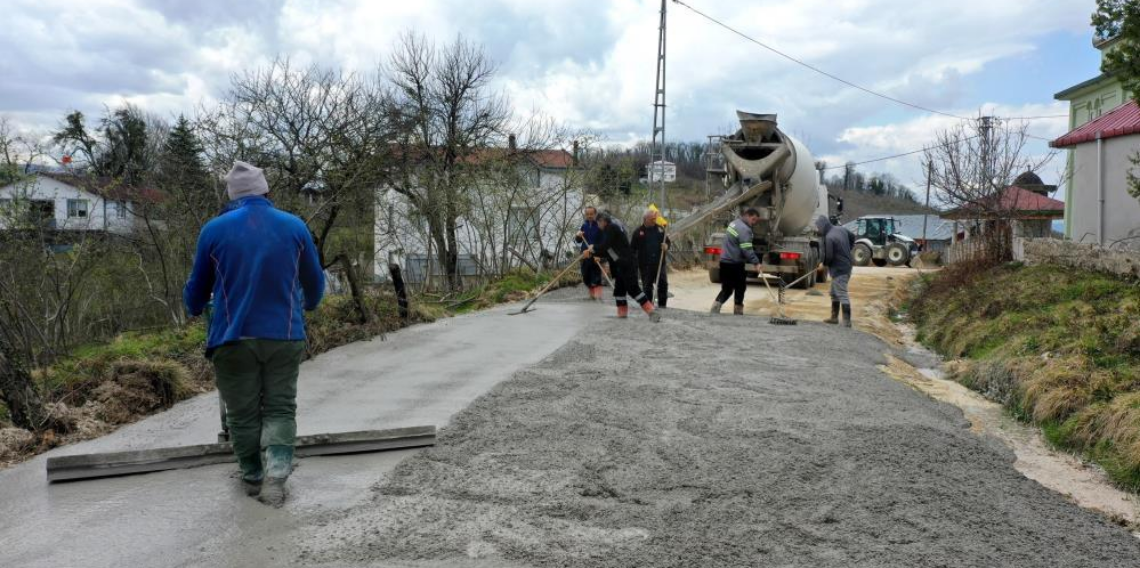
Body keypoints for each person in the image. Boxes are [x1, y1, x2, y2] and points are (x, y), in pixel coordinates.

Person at [183, 161, 325, 507]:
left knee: (242, 413)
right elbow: (315, 285)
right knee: (279, 407)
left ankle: (252, 475)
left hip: (233, 339)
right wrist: (306, 305)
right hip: (284, 335)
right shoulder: (294, 226)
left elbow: (196, 290)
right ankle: (276, 475)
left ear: (231, 196)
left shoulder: (213, 231)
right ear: (266, 192)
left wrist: (195, 306)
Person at [585, 211, 661, 322]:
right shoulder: (609, 230)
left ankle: (651, 311)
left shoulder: (612, 228)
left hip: (627, 264)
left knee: (633, 289)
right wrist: (593, 253)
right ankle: (622, 314)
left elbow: (606, 246)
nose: (598, 225)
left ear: (603, 221)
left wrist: (593, 248)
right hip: (619, 265)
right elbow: (609, 251)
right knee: (619, 290)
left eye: (598, 223)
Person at [711, 208, 763, 316]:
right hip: (735, 263)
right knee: (740, 287)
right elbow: (747, 249)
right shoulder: (744, 229)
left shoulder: (734, 223)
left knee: (727, 288)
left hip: (724, 262)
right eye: (753, 220)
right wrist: (756, 262)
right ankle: (738, 311)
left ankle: (715, 308)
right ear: (747, 215)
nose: (754, 223)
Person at [815, 215, 856, 327]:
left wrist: (824, 265)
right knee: (834, 292)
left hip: (840, 269)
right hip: (846, 266)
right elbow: (852, 236)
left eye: (818, 227)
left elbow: (829, 256)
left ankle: (847, 322)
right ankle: (834, 318)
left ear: (823, 226)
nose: (818, 229)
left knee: (841, 293)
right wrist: (849, 248)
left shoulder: (829, 237)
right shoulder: (841, 229)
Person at [630, 209, 671, 308]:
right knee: (647, 286)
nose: (654, 220)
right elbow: (632, 249)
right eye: (652, 219)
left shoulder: (660, 229)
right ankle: (648, 306)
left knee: (663, 284)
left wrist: (666, 246)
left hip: (660, 263)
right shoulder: (638, 232)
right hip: (645, 265)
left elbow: (668, 242)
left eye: (655, 218)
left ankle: (662, 305)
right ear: (645, 219)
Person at [574, 206, 604, 301]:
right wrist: (578, 236)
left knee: (596, 276)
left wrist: (598, 252)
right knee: (585, 275)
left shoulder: (599, 226)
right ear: (585, 215)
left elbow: (603, 241)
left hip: (595, 254)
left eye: (591, 214)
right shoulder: (584, 225)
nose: (590, 216)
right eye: (587, 214)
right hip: (585, 254)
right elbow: (579, 240)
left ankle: (598, 295)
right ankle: (591, 294)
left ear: (595, 214)